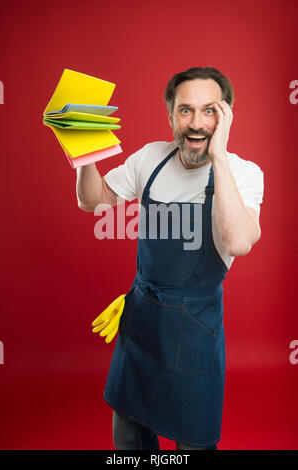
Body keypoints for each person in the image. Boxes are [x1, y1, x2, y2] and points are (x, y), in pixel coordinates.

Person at [76, 66, 264, 450]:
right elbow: (92, 201)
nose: (196, 123)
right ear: (170, 115)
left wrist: (220, 156)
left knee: (194, 444)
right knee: (129, 438)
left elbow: (237, 240)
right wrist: (82, 148)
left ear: (226, 116)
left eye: (209, 110)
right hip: (141, 319)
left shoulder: (244, 174)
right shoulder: (150, 158)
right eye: (185, 110)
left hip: (195, 331)